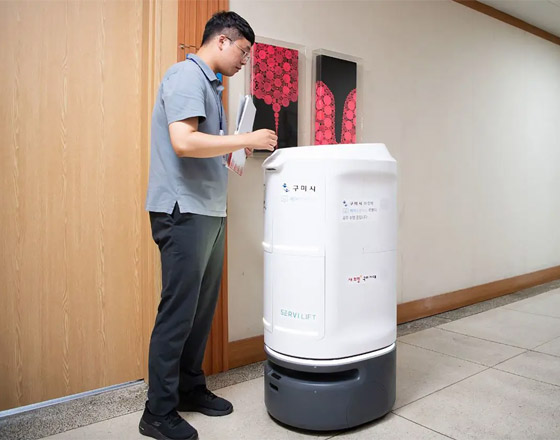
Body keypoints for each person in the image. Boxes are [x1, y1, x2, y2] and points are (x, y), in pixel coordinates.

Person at [139, 11, 277, 440]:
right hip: (183, 209)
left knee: (200, 313)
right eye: (243, 51)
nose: (244, 60)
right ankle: (157, 412)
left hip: (208, 209)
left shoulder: (212, 87)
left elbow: (201, 144)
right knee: (178, 312)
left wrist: (230, 152)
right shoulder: (186, 76)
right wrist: (246, 140)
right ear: (221, 40)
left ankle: (188, 388)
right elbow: (183, 142)